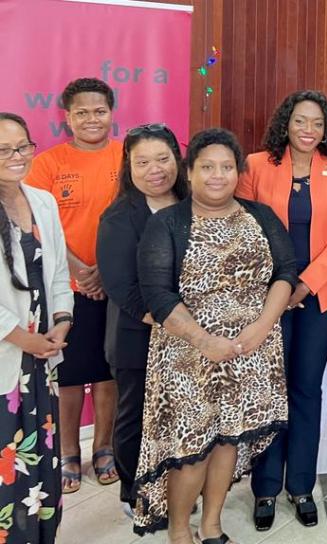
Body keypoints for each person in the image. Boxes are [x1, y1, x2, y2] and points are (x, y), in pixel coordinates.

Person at [133, 128, 296, 543]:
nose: (217, 176)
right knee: (191, 448)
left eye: (226, 167)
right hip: (188, 356)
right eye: (207, 167)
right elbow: (157, 293)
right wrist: (206, 342)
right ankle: (180, 531)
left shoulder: (260, 216)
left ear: (239, 172)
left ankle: (212, 525)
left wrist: (261, 328)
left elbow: (286, 271)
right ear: (189, 173)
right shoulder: (167, 223)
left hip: (251, 351)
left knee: (228, 440)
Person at [238, 90, 327, 531]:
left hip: (322, 295)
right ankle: (266, 487)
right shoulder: (255, 165)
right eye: (300, 122)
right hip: (267, 294)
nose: (309, 131)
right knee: (271, 389)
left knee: (306, 387)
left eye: (317, 124)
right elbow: (245, 229)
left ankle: (302, 485)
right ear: (285, 123)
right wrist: (280, 287)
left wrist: (303, 284)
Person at [26, 77, 121, 493]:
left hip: (117, 284)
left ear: (111, 113)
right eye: (81, 112)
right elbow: (39, 225)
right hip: (64, 288)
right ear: (67, 117)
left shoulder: (128, 156)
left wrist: (105, 268)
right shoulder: (47, 164)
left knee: (108, 374)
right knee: (67, 377)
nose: (91, 119)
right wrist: (82, 270)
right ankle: (68, 452)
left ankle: (104, 448)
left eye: (99, 111)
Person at [96, 123, 189, 517]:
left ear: (178, 159)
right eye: (143, 161)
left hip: (191, 338)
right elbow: (120, 285)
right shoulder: (118, 217)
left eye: (163, 159)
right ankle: (136, 494)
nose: (155, 169)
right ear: (128, 167)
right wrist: (174, 321)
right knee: (135, 416)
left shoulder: (196, 204)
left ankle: (178, 489)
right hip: (139, 335)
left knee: (182, 414)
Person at [0, 112, 73, 543]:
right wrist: (18, 335)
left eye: (23, 146)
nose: (16, 156)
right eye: (3, 150)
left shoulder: (42, 200)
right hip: (9, 355)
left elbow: (59, 273)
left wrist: (62, 321)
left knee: (42, 457)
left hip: (41, 357)